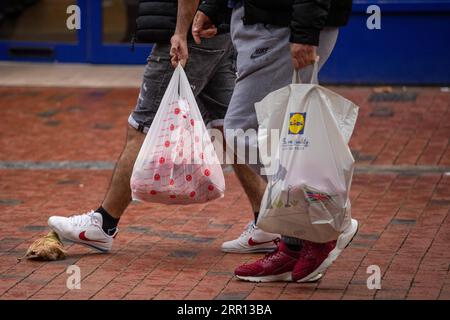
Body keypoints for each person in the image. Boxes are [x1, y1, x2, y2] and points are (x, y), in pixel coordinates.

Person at [46, 0, 280, 254]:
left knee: (143, 126)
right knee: (229, 126)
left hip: (191, 32)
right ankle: (266, 222)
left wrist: (180, 31)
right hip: (216, 32)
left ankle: (103, 224)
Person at [190, 0, 359, 282]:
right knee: (281, 134)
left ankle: (324, 213)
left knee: (241, 128)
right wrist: (213, 6)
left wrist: (304, 33)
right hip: (262, 19)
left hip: (282, 23)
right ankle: (294, 243)